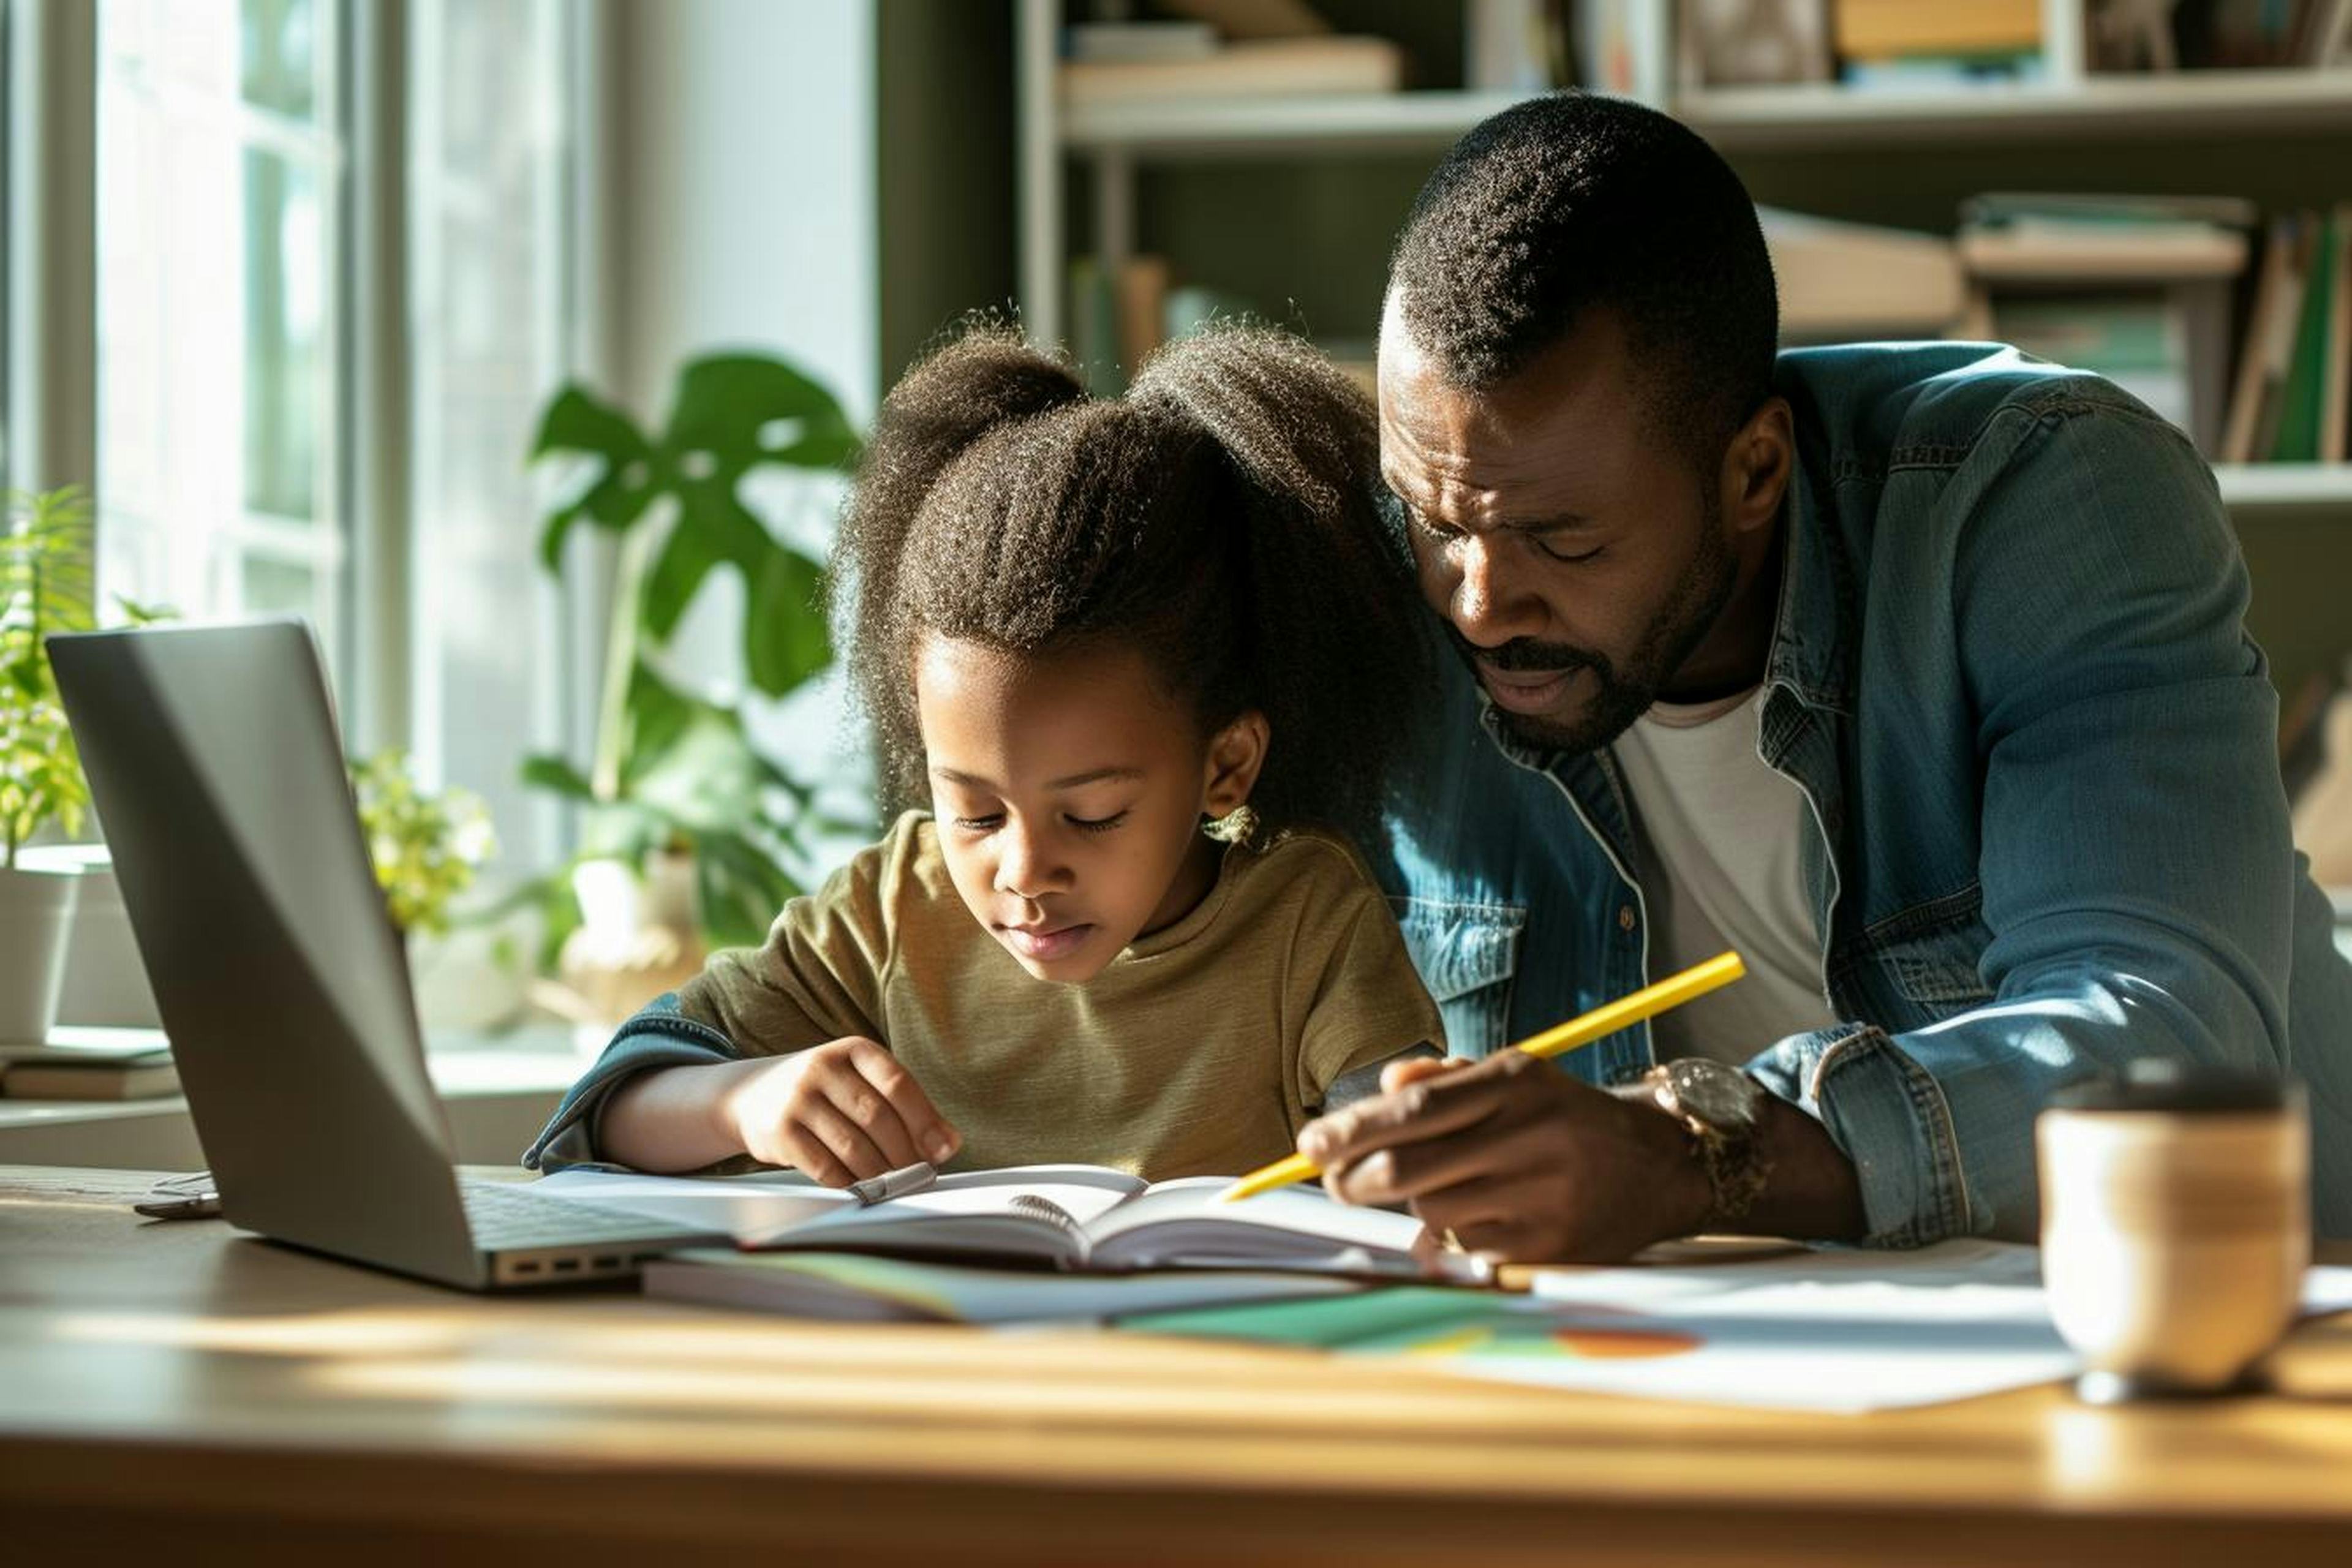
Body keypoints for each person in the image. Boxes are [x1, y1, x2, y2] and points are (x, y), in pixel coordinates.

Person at [1299, 92, 2352, 1261]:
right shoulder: (1393, 583)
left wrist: (1689, 1153)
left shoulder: (2044, 501)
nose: (1480, 604)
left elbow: (2161, 1040)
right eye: (1436, 521)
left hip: (2246, 1329)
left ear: (1754, 471)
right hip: (1748, 1361)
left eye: (1567, 541)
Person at [524, 325, 1444, 1185]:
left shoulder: (1306, 923)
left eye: (1090, 815)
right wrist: (741, 1102)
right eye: (973, 812)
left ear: (1226, 766)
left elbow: (1408, 1160)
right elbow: (603, 1113)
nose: (1025, 869)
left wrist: (1401, 1152)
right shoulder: (893, 915)